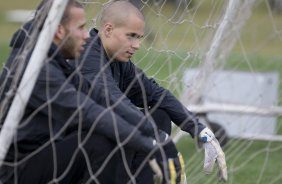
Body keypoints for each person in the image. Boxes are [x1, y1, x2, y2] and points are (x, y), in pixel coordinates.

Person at [0, 0, 180, 183]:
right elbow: (87, 112)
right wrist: (149, 144)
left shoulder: (56, 62)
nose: (87, 35)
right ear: (59, 31)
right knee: (100, 143)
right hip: (16, 171)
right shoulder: (37, 69)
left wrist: (157, 135)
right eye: (80, 28)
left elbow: (99, 98)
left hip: (48, 157)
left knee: (146, 121)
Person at [76, 0, 228, 183]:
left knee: (160, 114)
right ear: (108, 30)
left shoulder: (119, 61)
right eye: (131, 36)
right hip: (68, 152)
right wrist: (156, 136)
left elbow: (156, 94)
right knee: (131, 125)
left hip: (95, 146)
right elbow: (113, 102)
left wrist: (200, 130)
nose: (137, 45)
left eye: (139, 37)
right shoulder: (87, 56)